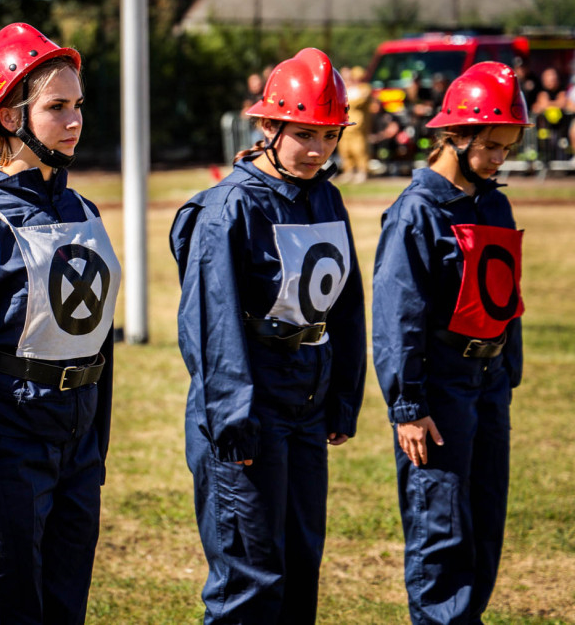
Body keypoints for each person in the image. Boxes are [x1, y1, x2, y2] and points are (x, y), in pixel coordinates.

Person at [0, 23, 120, 624]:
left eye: (78, 105)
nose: (75, 120)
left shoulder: (82, 210)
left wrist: (95, 448)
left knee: (64, 608)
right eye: (56, 106)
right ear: (10, 118)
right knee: (2, 610)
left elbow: (96, 340)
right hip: (9, 447)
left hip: (77, 447)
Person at [170, 48, 366, 624]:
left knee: (300, 569)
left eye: (329, 136)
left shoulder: (325, 195)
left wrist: (342, 397)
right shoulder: (229, 207)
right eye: (304, 134)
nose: (317, 150)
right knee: (251, 582)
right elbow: (213, 322)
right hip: (250, 411)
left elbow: (346, 304)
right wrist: (233, 419)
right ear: (268, 125)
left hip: (306, 404)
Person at [372, 62, 530, 625]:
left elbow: (505, 298)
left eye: (506, 149)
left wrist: (505, 377)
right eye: (489, 146)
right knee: (442, 533)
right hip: (438, 396)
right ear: (453, 136)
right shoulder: (416, 214)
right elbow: (397, 319)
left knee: (486, 527)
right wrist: (408, 408)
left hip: (489, 389)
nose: (497, 160)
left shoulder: (494, 203)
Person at [338, 65, 372, 183]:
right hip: (345, 124)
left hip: (357, 125)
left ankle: (362, 171)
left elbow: (359, 102)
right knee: (345, 149)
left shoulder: (364, 88)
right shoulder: (346, 88)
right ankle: (349, 171)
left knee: (359, 149)